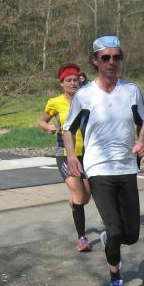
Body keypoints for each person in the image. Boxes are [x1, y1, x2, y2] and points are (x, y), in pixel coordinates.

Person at [63, 35, 144, 286]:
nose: (111, 62)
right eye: (105, 58)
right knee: (114, 230)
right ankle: (115, 282)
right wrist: (72, 156)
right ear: (95, 61)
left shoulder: (132, 91)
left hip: (126, 167)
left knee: (131, 235)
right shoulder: (84, 95)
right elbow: (68, 129)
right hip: (98, 168)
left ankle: (109, 240)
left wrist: (142, 141)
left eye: (116, 57)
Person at [38, 63, 92, 252]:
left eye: (75, 80)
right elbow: (41, 121)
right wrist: (48, 127)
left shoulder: (87, 100)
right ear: (61, 83)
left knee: (85, 197)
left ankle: (75, 203)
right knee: (79, 195)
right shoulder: (55, 102)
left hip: (86, 154)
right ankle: (82, 238)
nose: (73, 83)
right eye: (68, 80)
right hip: (65, 154)